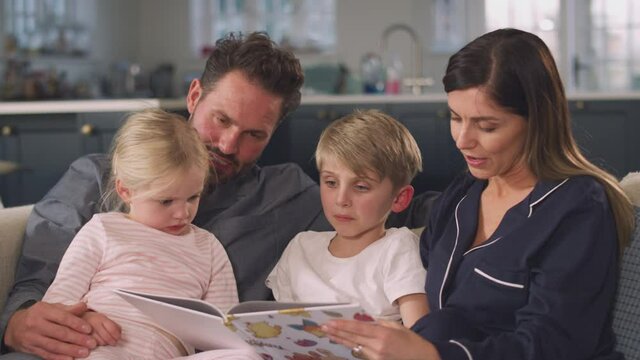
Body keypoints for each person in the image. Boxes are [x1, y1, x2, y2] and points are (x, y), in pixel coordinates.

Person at [0, 32, 324, 360]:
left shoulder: (292, 197)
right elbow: (37, 280)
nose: (228, 145)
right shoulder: (97, 178)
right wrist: (18, 322)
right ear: (195, 96)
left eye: (254, 134)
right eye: (221, 119)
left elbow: (369, 230)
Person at [322, 28, 636, 360]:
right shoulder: (464, 193)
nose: (463, 139)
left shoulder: (577, 207)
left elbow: (553, 345)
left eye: (487, 126)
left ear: (537, 121)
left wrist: (433, 355)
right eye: (456, 118)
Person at [42, 109, 239, 359]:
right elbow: (59, 301)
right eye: (166, 201)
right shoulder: (103, 230)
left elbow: (226, 330)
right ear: (126, 191)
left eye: (193, 197)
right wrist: (87, 318)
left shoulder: (208, 247)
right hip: (102, 347)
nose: (183, 213)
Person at [266, 109, 429, 328]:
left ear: (399, 198)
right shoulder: (301, 247)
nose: (341, 199)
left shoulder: (397, 248)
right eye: (331, 183)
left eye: (361, 187)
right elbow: (282, 331)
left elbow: (419, 339)